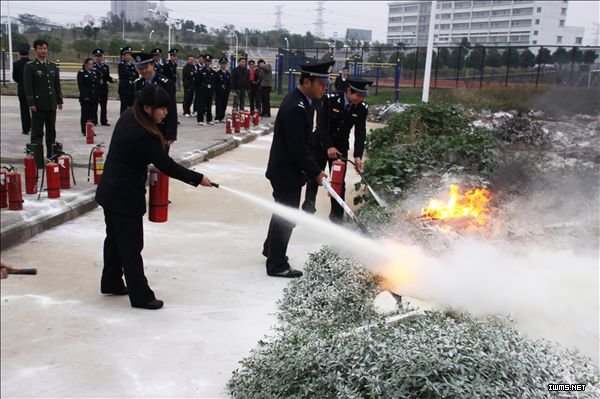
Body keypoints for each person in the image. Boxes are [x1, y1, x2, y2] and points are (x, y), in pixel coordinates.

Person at [95, 85, 213, 309]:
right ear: (148, 108)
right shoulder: (142, 134)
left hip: (110, 191)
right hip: (123, 196)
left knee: (114, 240)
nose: (166, 113)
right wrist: (198, 178)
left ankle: (110, 281)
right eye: (162, 109)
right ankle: (141, 297)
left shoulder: (130, 116)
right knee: (131, 246)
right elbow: (166, 165)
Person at [262, 60, 332, 278]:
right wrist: (316, 173)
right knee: (287, 216)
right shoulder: (296, 106)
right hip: (286, 172)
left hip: (288, 171)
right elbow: (298, 148)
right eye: (321, 83)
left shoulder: (304, 102)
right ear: (308, 81)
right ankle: (277, 264)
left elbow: (306, 141)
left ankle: (270, 249)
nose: (325, 88)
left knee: (282, 212)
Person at [302, 78, 372, 223]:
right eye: (357, 95)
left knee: (338, 182)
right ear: (348, 91)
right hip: (320, 144)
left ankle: (336, 217)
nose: (360, 99)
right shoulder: (330, 100)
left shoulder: (361, 108)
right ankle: (308, 209)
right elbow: (321, 124)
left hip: (340, 148)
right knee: (314, 177)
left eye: (363, 96)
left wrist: (358, 155)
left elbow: (360, 132)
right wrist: (328, 146)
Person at [23, 38, 64, 169]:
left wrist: (59, 100)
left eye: (45, 48)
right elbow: (28, 86)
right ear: (36, 50)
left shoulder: (52, 66)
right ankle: (37, 160)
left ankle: (51, 157)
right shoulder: (30, 66)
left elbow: (56, 85)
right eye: (40, 48)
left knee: (51, 131)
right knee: (37, 133)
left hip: (51, 104)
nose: (43, 51)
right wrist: (31, 103)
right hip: (38, 105)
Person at [133, 52, 178, 149]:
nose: (144, 71)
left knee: (161, 159)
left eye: (146, 67)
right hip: (143, 129)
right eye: (140, 69)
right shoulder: (138, 83)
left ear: (152, 65)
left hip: (161, 128)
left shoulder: (165, 83)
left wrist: (171, 134)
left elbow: (171, 109)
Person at [92, 48, 115, 126]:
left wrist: (112, 80)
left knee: (104, 106)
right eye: (97, 56)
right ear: (94, 57)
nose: (98, 58)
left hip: (103, 89)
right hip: (95, 89)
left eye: (100, 56)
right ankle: (94, 120)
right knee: (94, 106)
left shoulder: (105, 66)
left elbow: (107, 77)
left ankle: (104, 120)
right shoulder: (91, 66)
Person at [12, 43, 31, 135]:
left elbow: (15, 78)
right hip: (33, 90)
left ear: (19, 53)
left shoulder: (16, 64)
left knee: (24, 110)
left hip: (22, 90)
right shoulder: (32, 63)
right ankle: (35, 127)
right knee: (35, 111)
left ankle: (26, 128)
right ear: (28, 52)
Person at [77, 57, 98, 136]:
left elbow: (96, 86)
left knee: (92, 115)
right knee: (85, 115)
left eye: (92, 64)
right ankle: (84, 130)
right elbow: (81, 86)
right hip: (85, 98)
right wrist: (85, 96)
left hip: (93, 98)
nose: (91, 66)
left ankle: (90, 130)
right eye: (89, 64)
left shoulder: (94, 73)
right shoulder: (81, 73)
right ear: (85, 64)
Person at [194, 54, 216, 126]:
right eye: (206, 61)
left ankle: (209, 119)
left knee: (209, 106)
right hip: (202, 91)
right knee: (201, 106)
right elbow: (197, 82)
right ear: (204, 61)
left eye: (209, 61)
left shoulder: (212, 71)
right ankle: (200, 120)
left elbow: (213, 81)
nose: (207, 63)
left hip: (209, 91)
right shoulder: (200, 71)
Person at [117, 46, 138, 114]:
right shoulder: (121, 64)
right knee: (124, 106)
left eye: (130, 55)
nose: (129, 56)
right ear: (124, 56)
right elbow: (125, 74)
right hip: (124, 88)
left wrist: (132, 74)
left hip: (131, 88)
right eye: (127, 55)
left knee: (132, 105)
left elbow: (136, 75)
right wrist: (132, 74)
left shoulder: (132, 65)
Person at [214, 57, 231, 123]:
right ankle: (217, 117)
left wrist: (229, 89)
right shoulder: (217, 73)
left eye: (224, 64)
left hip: (226, 91)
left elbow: (229, 83)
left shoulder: (228, 74)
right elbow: (215, 83)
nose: (223, 65)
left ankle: (221, 117)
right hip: (219, 91)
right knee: (219, 104)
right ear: (220, 65)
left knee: (224, 104)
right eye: (222, 64)